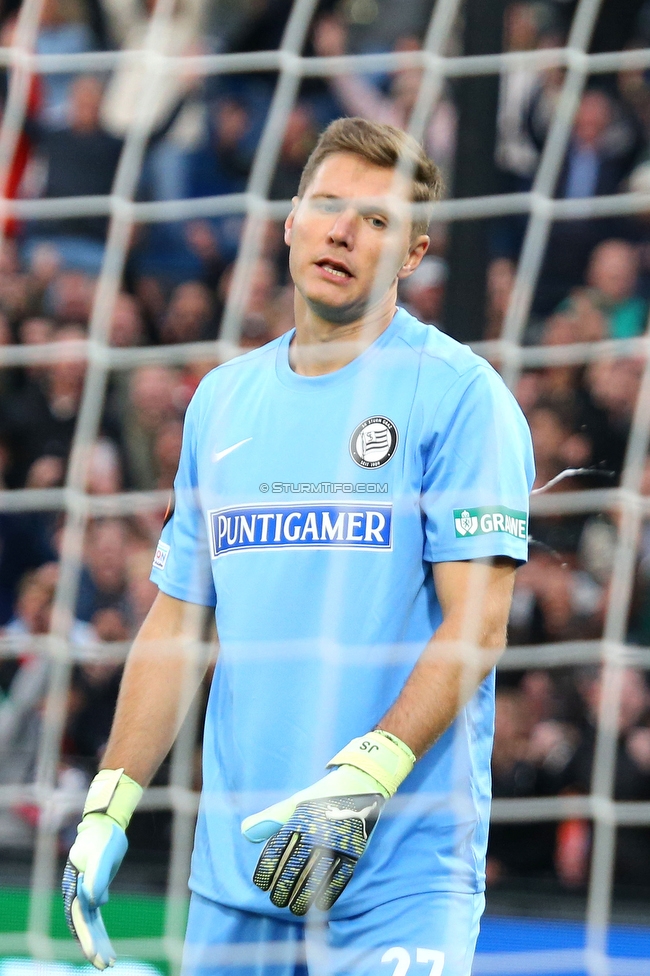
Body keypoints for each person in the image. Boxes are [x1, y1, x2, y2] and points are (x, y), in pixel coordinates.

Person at [62, 118, 534, 976]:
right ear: (289, 220)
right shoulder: (222, 403)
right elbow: (179, 623)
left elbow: (480, 625)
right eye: (328, 205)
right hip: (237, 878)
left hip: (400, 879)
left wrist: (369, 776)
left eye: (378, 219)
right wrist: (110, 802)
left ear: (415, 253)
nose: (345, 231)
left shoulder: (463, 397)